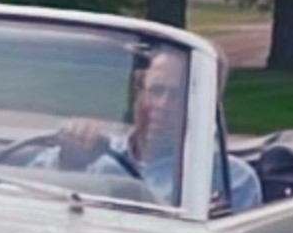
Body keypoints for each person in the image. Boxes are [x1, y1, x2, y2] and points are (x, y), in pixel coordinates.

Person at [52, 48, 191, 203]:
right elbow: (30, 184)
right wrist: (69, 160)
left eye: (176, 95)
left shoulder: (200, 176)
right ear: (137, 95)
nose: (163, 105)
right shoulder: (96, 148)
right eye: (156, 90)